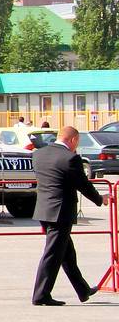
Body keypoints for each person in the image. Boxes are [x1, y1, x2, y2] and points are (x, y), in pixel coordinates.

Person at [29, 125, 106, 305]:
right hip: (61, 212)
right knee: (53, 254)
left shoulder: (39, 154)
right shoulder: (70, 158)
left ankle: (83, 290)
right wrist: (101, 199)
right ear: (73, 140)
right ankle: (41, 295)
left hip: (44, 210)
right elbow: (83, 185)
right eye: (76, 143)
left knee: (66, 253)